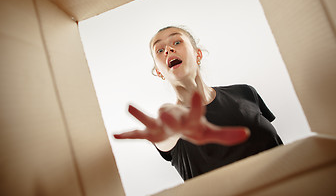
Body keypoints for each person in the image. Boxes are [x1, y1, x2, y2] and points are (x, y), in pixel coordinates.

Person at [114, 26, 283, 180]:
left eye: (177, 41)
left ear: (198, 54)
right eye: (159, 49)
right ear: (159, 72)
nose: (168, 49)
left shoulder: (245, 92)